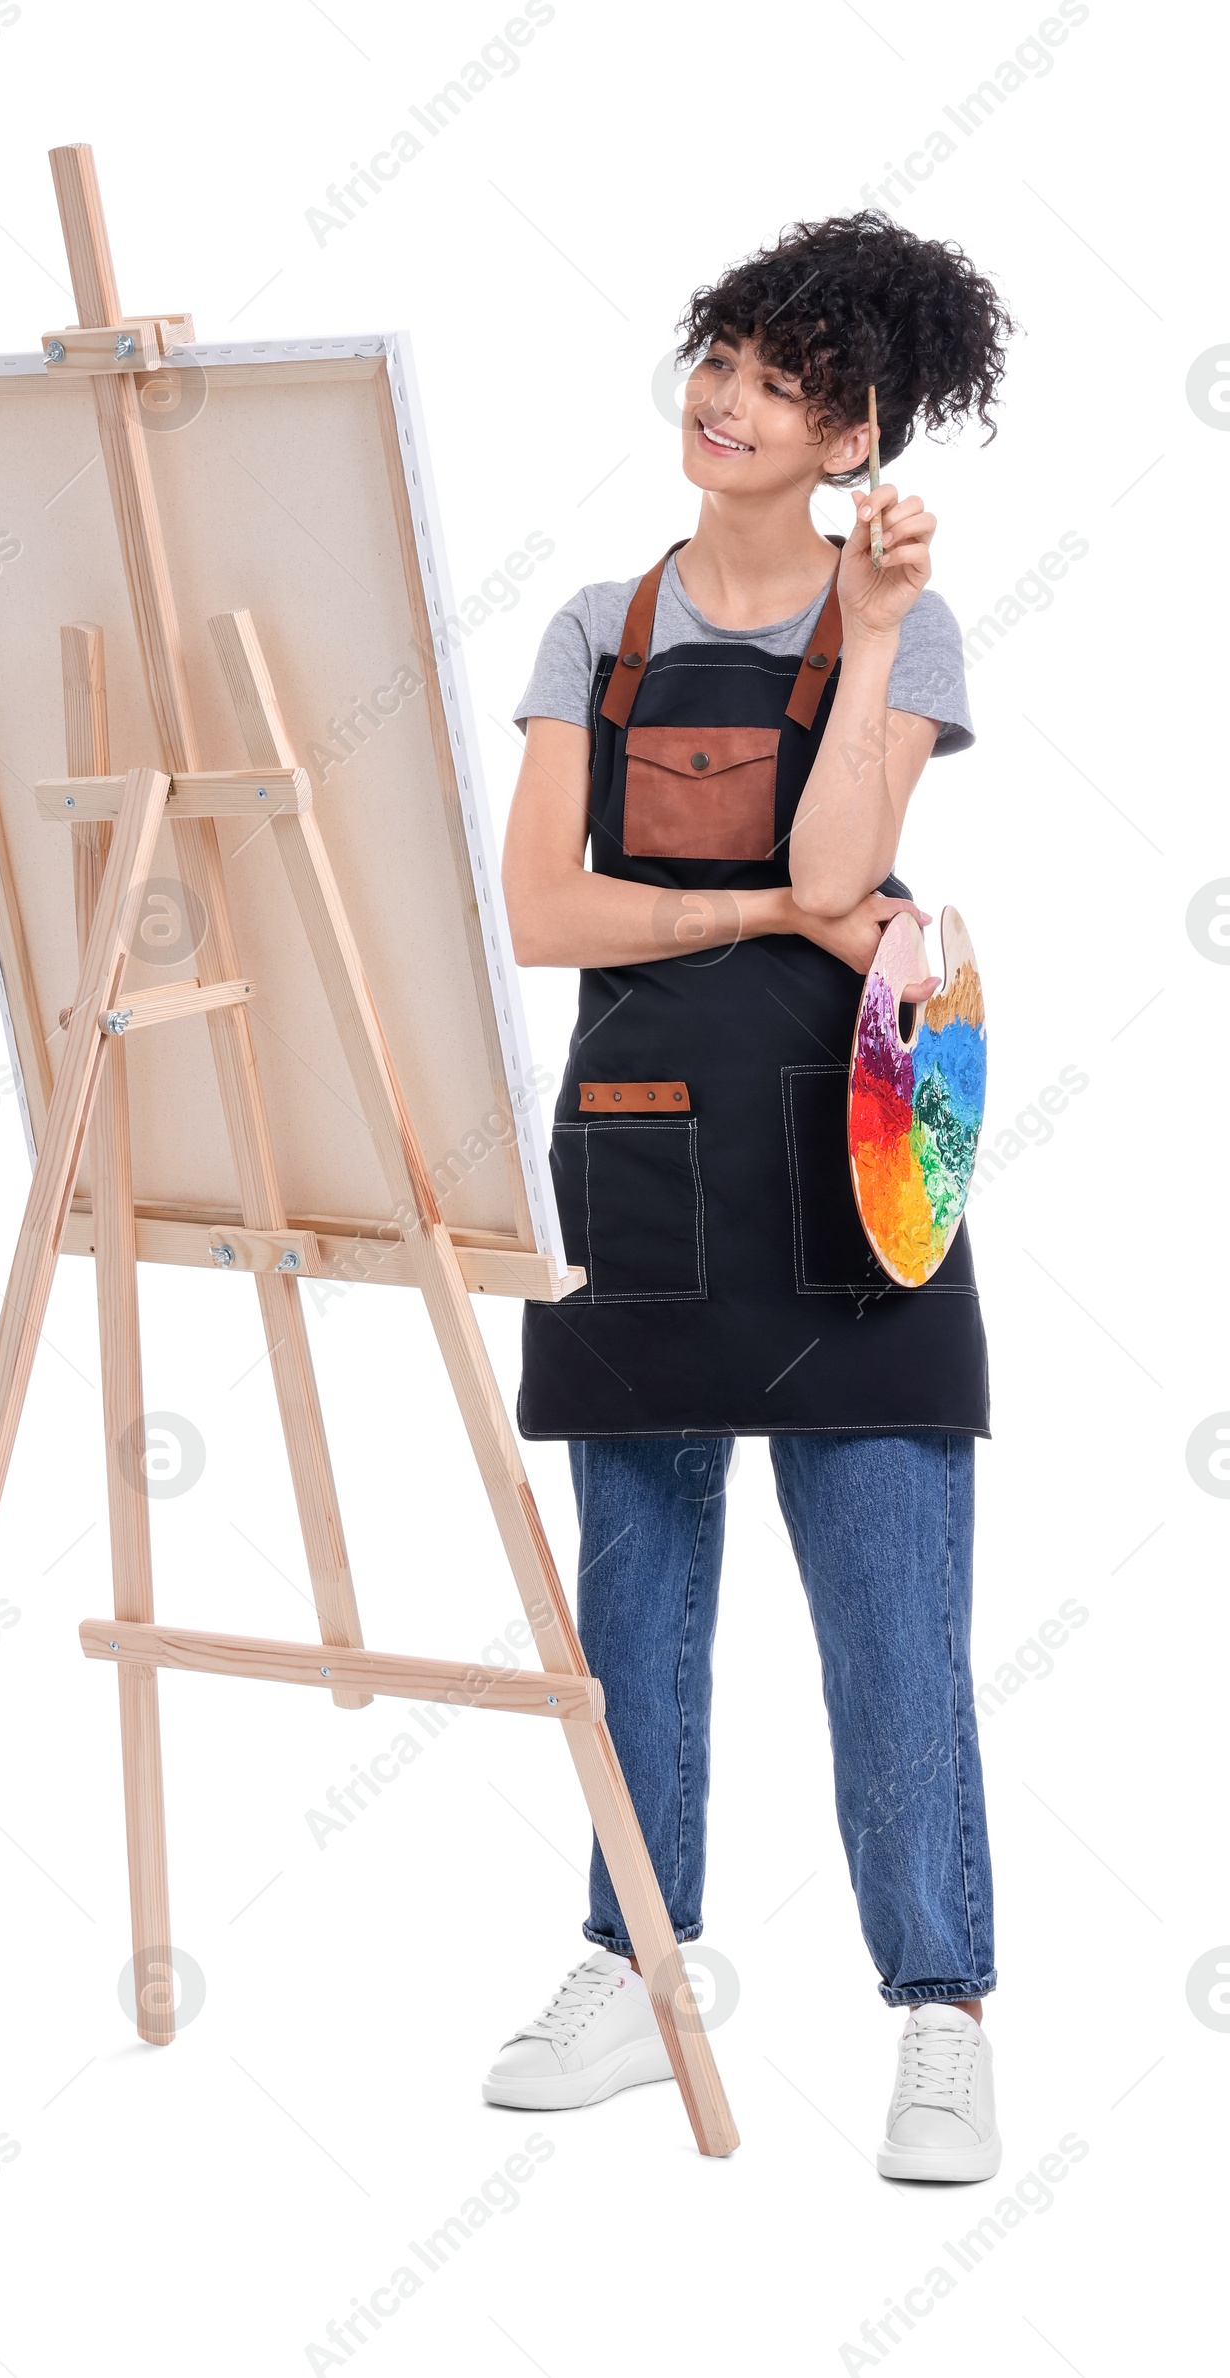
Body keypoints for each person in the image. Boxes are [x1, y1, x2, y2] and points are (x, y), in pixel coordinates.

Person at [487, 211, 1015, 2182]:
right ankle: (631, 1964)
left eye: (779, 379)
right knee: (631, 1609)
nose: (723, 395)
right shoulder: (591, 628)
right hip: (629, 1166)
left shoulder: (905, 629)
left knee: (890, 1618)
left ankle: (937, 2012)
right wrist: (743, 908)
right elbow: (544, 912)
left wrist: (863, 641)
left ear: (849, 429)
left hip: (846, 1172)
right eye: (716, 353)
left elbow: (846, 848)